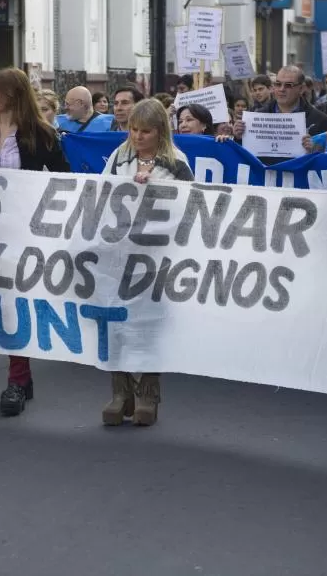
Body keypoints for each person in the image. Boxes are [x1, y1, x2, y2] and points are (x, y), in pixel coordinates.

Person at [0, 67, 71, 417]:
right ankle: (21, 378)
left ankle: (17, 378)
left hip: (25, 233)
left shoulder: (41, 133)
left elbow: (65, 179)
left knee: (14, 302)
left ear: (13, 95)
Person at [101, 99, 193, 425]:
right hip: (119, 253)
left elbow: (187, 207)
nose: (138, 137)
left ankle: (148, 393)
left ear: (160, 132)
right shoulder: (118, 157)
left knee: (147, 322)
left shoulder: (176, 163)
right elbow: (102, 194)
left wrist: (151, 188)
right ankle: (120, 391)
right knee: (115, 322)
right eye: (134, 130)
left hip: (155, 256)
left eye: (146, 131)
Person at [234, 66, 327, 155]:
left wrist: (315, 150)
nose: (281, 89)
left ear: (301, 88)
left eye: (288, 85)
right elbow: (244, 157)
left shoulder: (320, 121)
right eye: (278, 84)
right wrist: (239, 137)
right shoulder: (257, 117)